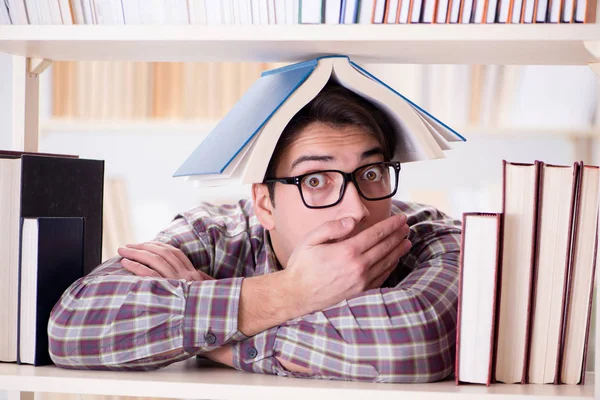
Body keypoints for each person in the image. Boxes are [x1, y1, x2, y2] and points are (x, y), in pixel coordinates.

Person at [48, 82, 461, 383]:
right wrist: (291, 292)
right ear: (264, 203)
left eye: (371, 173)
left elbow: (413, 345)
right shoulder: (214, 234)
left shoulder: (432, 236)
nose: (356, 208)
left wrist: (220, 340)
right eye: (316, 180)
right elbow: (73, 326)